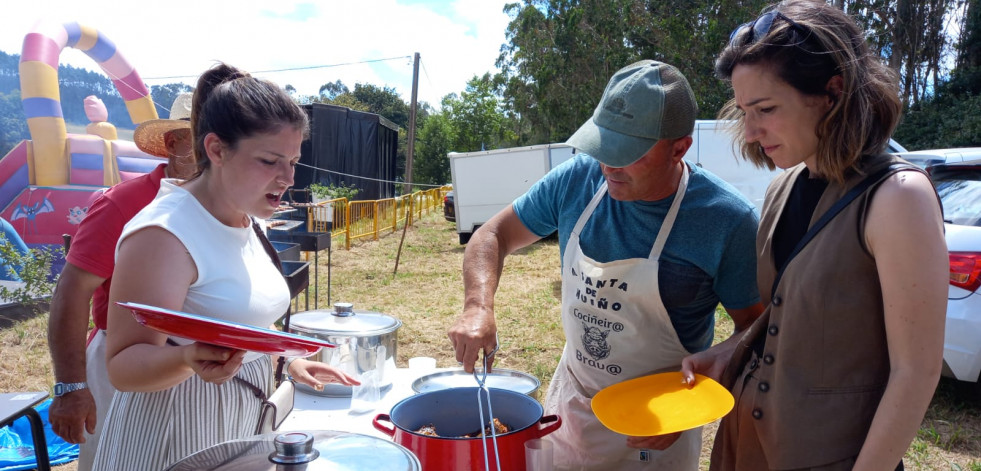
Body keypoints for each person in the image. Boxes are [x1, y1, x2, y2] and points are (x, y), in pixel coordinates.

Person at [448, 59, 764, 470]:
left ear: (679, 148)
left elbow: (754, 329)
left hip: (657, 425)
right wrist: (478, 306)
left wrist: (688, 404)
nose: (608, 165)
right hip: (575, 403)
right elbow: (493, 235)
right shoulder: (576, 181)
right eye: (602, 147)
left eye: (627, 153)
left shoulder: (725, 220)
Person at [681, 1, 949, 469]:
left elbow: (916, 372)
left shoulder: (898, 198)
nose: (750, 131)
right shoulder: (783, 186)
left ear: (832, 92)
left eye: (765, 108)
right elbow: (786, 317)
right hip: (747, 447)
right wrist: (727, 352)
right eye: (744, 111)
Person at [91, 63, 358, 470]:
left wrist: (287, 360)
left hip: (237, 424)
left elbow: (237, 317)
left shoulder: (247, 218)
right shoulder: (164, 235)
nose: (287, 177)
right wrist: (186, 359)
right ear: (216, 149)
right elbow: (123, 367)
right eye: (270, 161)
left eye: (293, 160)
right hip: (175, 436)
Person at [46, 92, 196, 471]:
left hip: (196, 366)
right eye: (202, 137)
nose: (216, 151)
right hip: (123, 364)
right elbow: (72, 290)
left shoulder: (225, 207)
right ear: (174, 142)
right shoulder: (124, 202)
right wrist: (71, 388)